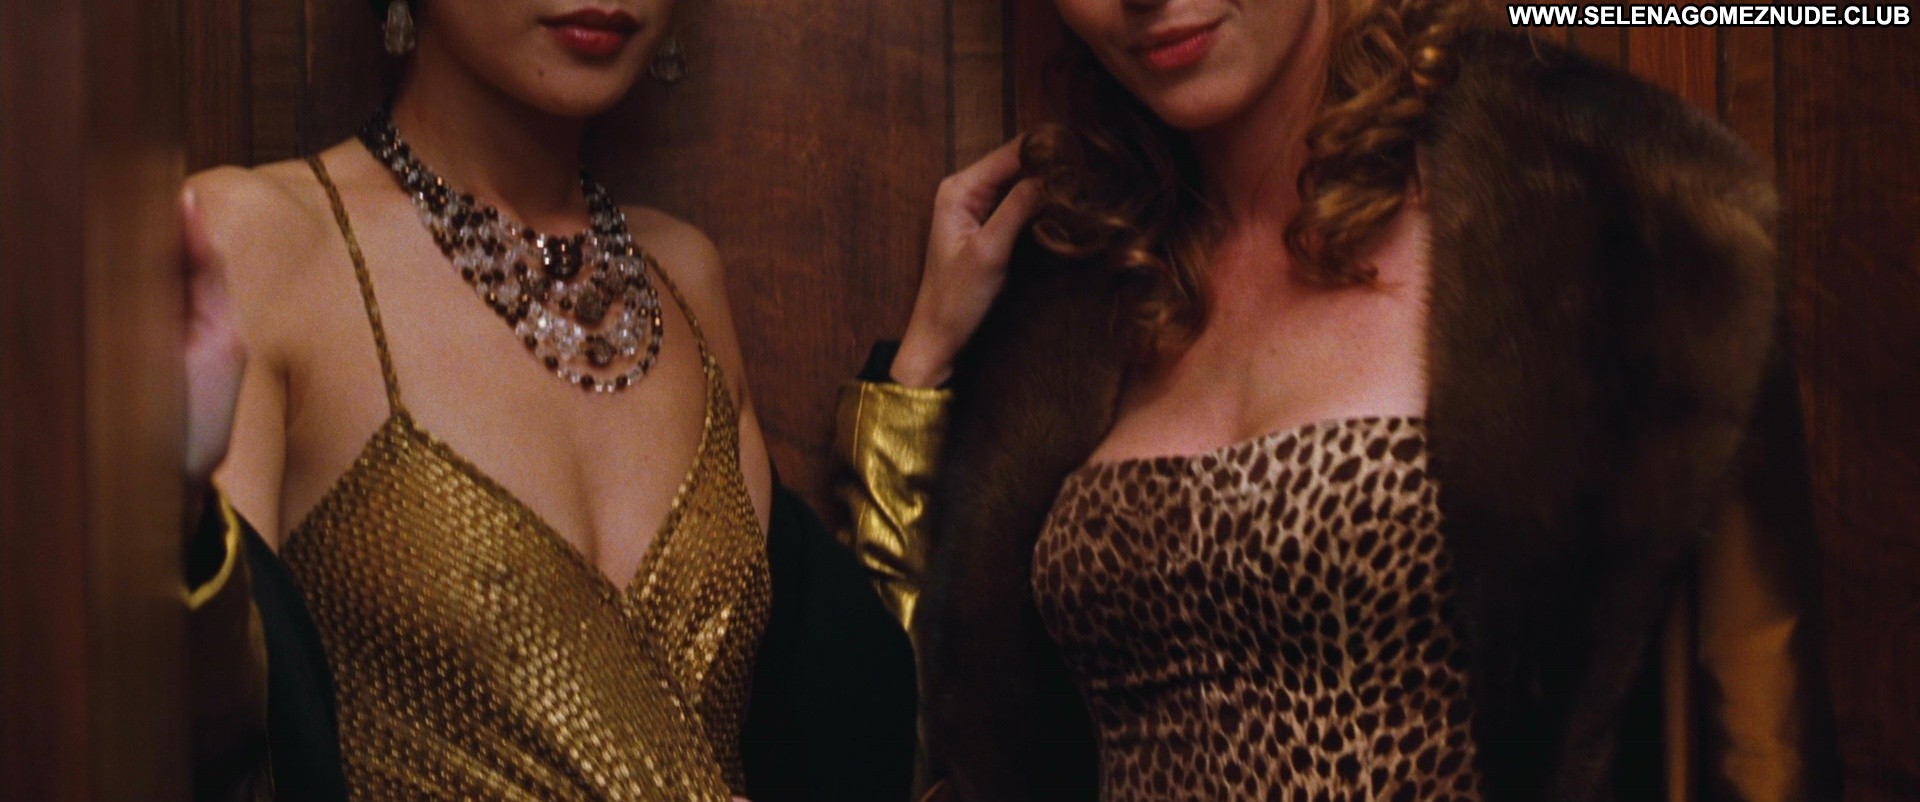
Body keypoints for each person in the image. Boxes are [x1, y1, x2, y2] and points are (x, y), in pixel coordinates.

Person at [835, 0, 1839, 799]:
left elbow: (1759, 747)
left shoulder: (1621, 223)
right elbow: (920, 722)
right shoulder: (1061, 290)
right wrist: (923, 366)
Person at [179, 1, 916, 799]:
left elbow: (845, 717)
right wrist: (167, 501)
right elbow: (210, 734)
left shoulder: (686, 280)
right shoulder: (260, 245)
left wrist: (922, 381)